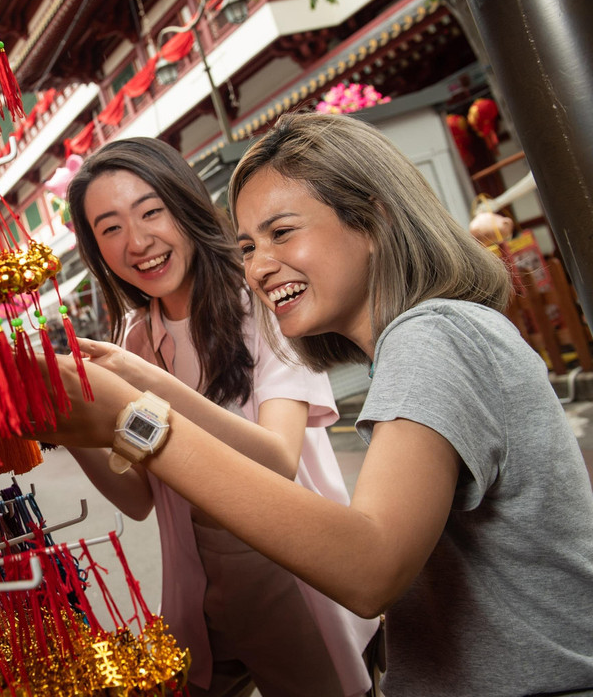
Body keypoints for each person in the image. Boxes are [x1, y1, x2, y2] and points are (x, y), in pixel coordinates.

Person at [38, 114, 593, 696]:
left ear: (372, 216)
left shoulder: (434, 338)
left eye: (282, 232)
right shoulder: (414, 343)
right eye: (249, 245)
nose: (256, 266)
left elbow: (368, 565)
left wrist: (137, 415)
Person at [63, 137, 378, 697]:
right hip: (198, 584)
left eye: (150, 211)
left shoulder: (261, 301)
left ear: (184, 206)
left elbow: (278, 461)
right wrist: (67, 419)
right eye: (110, 228)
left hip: (287, 569)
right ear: (95, 249)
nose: (137, 242)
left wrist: (147, 384)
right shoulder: (136, 336)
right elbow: (139, 498)